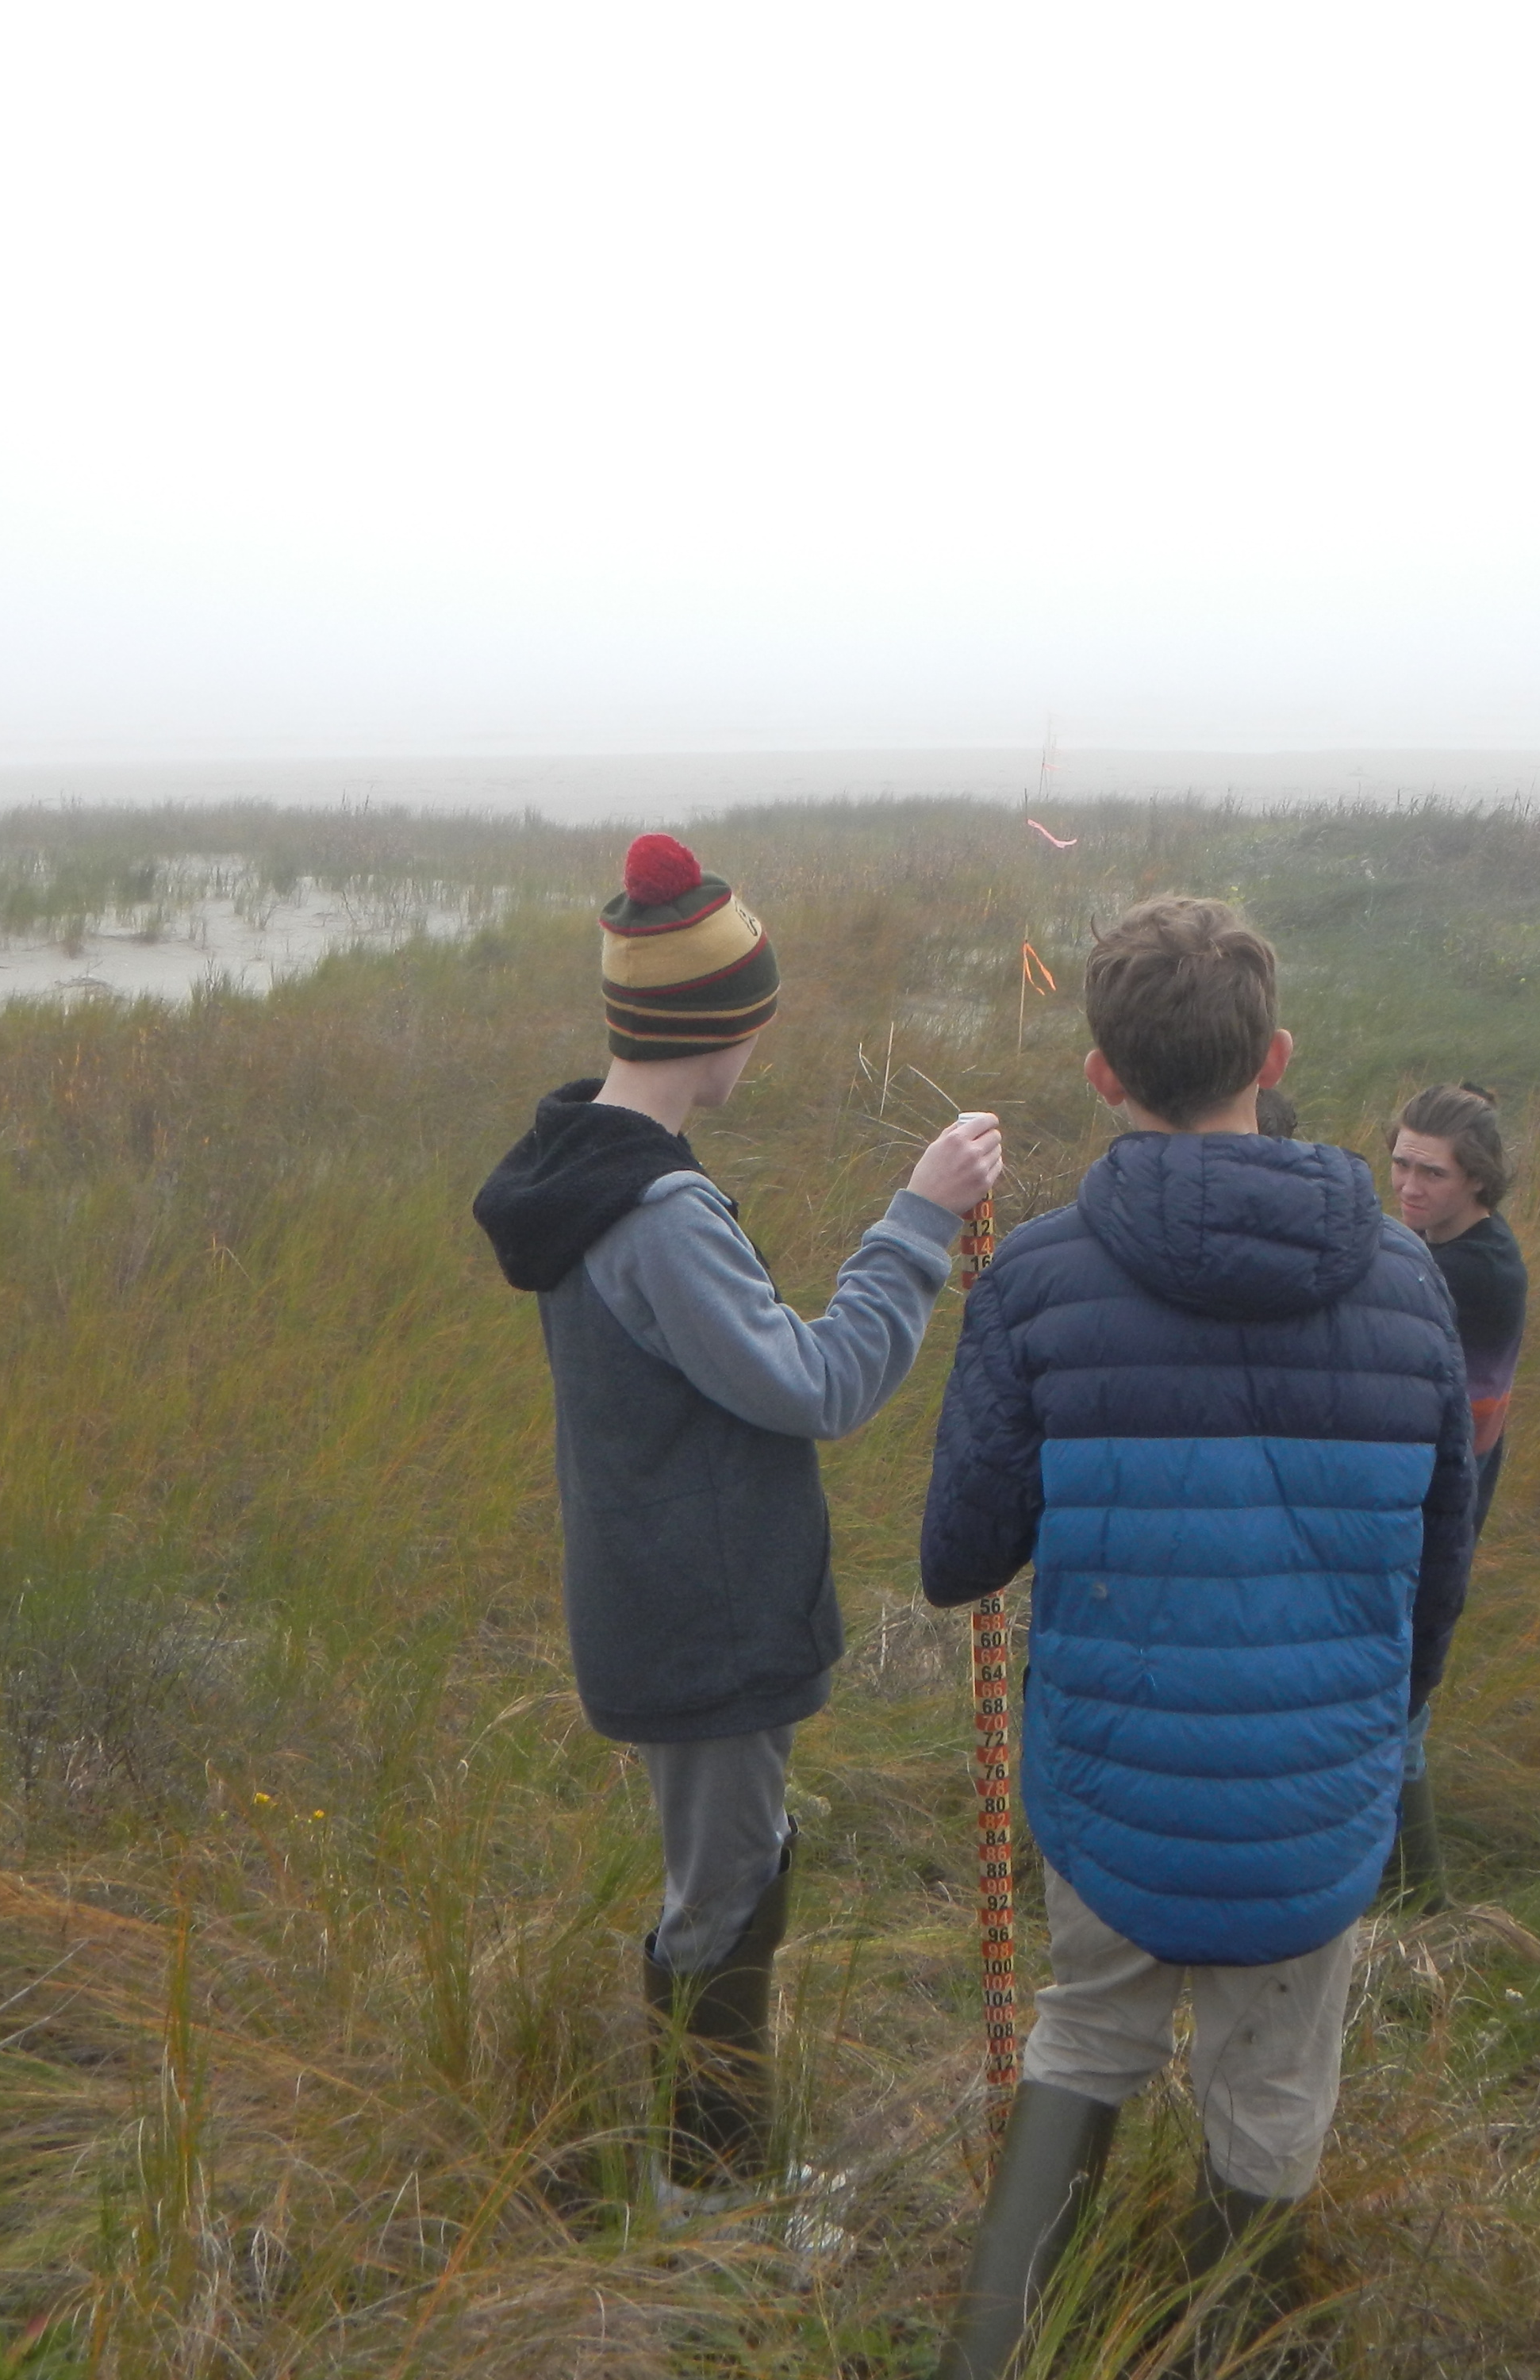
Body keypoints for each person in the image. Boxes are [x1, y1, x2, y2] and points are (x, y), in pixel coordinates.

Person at [918, 897, 1472, 2376]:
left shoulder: (1033, 1278)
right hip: (1317, 1801)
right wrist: (1369, 1726)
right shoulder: (1412, 1280)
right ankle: (1223, 2344)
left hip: (1113, 1789)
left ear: (1103, 1074)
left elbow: (959, 1556)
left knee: (1085, 2034)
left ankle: (997, 2352)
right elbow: (1441, 1574)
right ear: (1274, 1055)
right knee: (1274, 2087)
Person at [470, 831, 1002, 2199]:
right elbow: (817, 1386)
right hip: (704, 1628)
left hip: (662, 1602)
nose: (759, 1047)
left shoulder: (582, 1170)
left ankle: (704, 2177)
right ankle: (709, 2201)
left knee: (721, 1878)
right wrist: (920, 1222)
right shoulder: (658, 1214)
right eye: (753, 1020)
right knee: (723, 1898)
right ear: (719, 1031)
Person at [1381, 1082, 1527, 1907]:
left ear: (1476, 1178)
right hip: (1432, 1508)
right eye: (1399, 1164)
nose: (1407, 1186)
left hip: (1436, 1519)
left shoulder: (1471, 1274)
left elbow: (1443, 1435)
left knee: (1399, 1722)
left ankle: (1418, 1907)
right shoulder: (1445, 1250)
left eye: (1430, 1173)